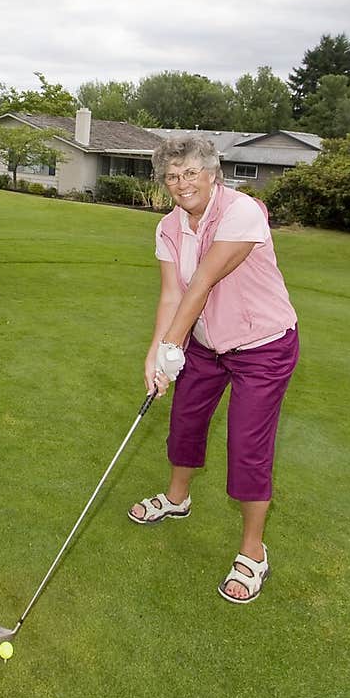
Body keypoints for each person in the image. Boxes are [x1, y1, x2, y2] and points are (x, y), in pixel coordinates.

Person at [128, 136, 299, 604]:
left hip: (261, 344)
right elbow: (170, 294)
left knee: (247, 445)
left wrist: (169, 348)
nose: (182, 183)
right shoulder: (168, 227)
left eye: (190, 173)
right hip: (206, 343)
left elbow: (202, 280)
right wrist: (154, 354)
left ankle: (253, 551)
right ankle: (178, 499)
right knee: (184, 423)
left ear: (212, 173)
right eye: (171, 176)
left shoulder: (243, 212)